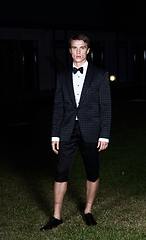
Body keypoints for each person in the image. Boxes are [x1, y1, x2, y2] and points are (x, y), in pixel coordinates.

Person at [40, 33, 111, 231]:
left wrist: (104, 134)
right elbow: (57, 107)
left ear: (88, 50)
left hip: (91, 131)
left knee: (92, 172)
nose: (78, 52)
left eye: (82, 48)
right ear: (70, 50)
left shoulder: (100, 75)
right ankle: (56, 216)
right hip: (67, 130)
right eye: (74, 48)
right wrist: (55, 135)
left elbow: (106, 107)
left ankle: (88, 211)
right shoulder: (62, 76)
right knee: (61, 172)